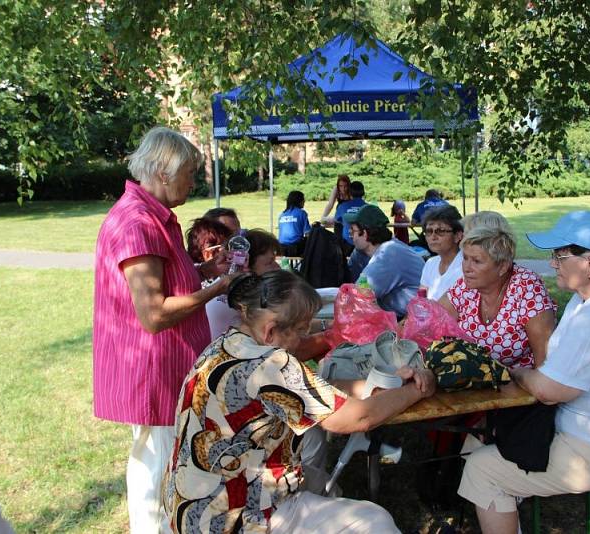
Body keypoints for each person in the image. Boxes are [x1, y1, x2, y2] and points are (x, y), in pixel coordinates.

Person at [163, 270, 437, 533]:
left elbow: (314, 391)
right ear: (271, 330)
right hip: (234, 515)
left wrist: (390, 385)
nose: (303, 339)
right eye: (301, 330)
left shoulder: (226, 344)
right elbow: (358, 418)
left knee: (317, 479)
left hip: (192, 506)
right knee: (373, 521)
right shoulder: (271, 363)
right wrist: (420, 389)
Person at [457, 211, 590, 534]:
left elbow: (550, 389)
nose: (553, 263)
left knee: (481, 470)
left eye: (559, 255)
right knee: (480, 440)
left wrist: (517, 373)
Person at [93, 126, 234, 533]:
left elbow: (170, 278)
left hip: (168, 365)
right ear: (163, 171)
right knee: (157, 468)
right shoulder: (137, 222)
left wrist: (205, 271)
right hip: (154, 370)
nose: (195, 180)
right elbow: (154, 313)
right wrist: (218, 289)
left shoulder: (155, 216)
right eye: (191, 172)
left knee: (163, 461)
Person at [438, 226, 556, 369]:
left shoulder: (527, 287)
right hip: (475, 381)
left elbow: (545, 362)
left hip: (520, 384)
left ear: (502, 267)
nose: (466, 268)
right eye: (465, 258)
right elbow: (433, 321)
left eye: (476, 261)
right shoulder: (465, 287)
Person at [344, 204, 425, 319]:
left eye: (352, 231)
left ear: (365, 234)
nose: (350, 235)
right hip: (397, 317)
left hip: (411, 321)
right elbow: (348, 280)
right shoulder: (364, 251)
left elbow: (358, 296)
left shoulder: (389, 253)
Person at [185, 218, 238, 341]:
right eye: (227, 246)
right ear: (209, 252)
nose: (232, 252)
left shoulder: (195, 275)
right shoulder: (199, 284)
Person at [420, 205, 464, 301]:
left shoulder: (466, 266)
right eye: (429, 231)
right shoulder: (430, 263)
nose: (433, 236)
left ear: (458, 236)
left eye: (440, 231)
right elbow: (421, 300)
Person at [334, 180, 367, 255]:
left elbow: (337, 221)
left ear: (350, 192)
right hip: (364, 243)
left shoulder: (342, 206)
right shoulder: (369, 207)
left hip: (347, 244)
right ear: (363, 193)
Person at [278, 190, 311, 257]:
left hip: (281, 249)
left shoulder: (282, 214)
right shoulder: (302, 213)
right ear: (299, 201)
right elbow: (308, 233)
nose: (304, 201)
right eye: (303, 199)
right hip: (296, 248)